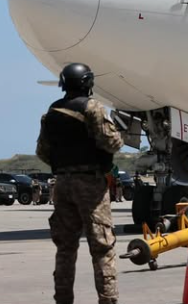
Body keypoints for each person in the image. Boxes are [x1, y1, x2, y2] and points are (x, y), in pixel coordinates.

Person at [36, 63, 123, 304]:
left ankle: (63, 299)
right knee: (102, 248)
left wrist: (66, 165)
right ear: (88, 83)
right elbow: (112, 143)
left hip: (63, 184)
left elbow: (42, 152)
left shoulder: (52, 112)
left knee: (65, 248)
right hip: (90, 184)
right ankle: (108, 299)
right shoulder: (92, 107)